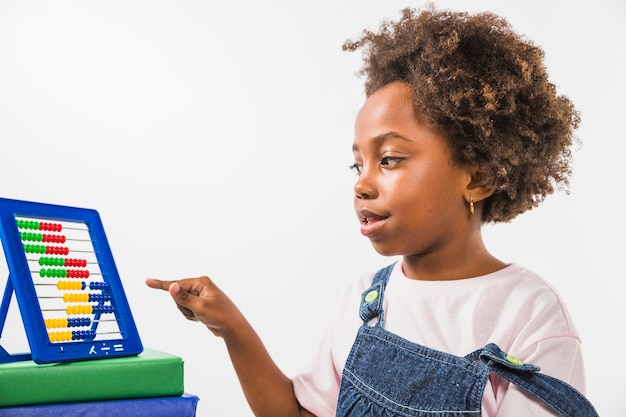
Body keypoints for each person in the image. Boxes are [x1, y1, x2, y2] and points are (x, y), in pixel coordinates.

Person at [146, 5, 598, 417]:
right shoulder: (366, 303)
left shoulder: (529, 313)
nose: (362, 183)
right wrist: (232, 328)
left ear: (477, 178)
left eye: (389, 160)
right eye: (357, 164)